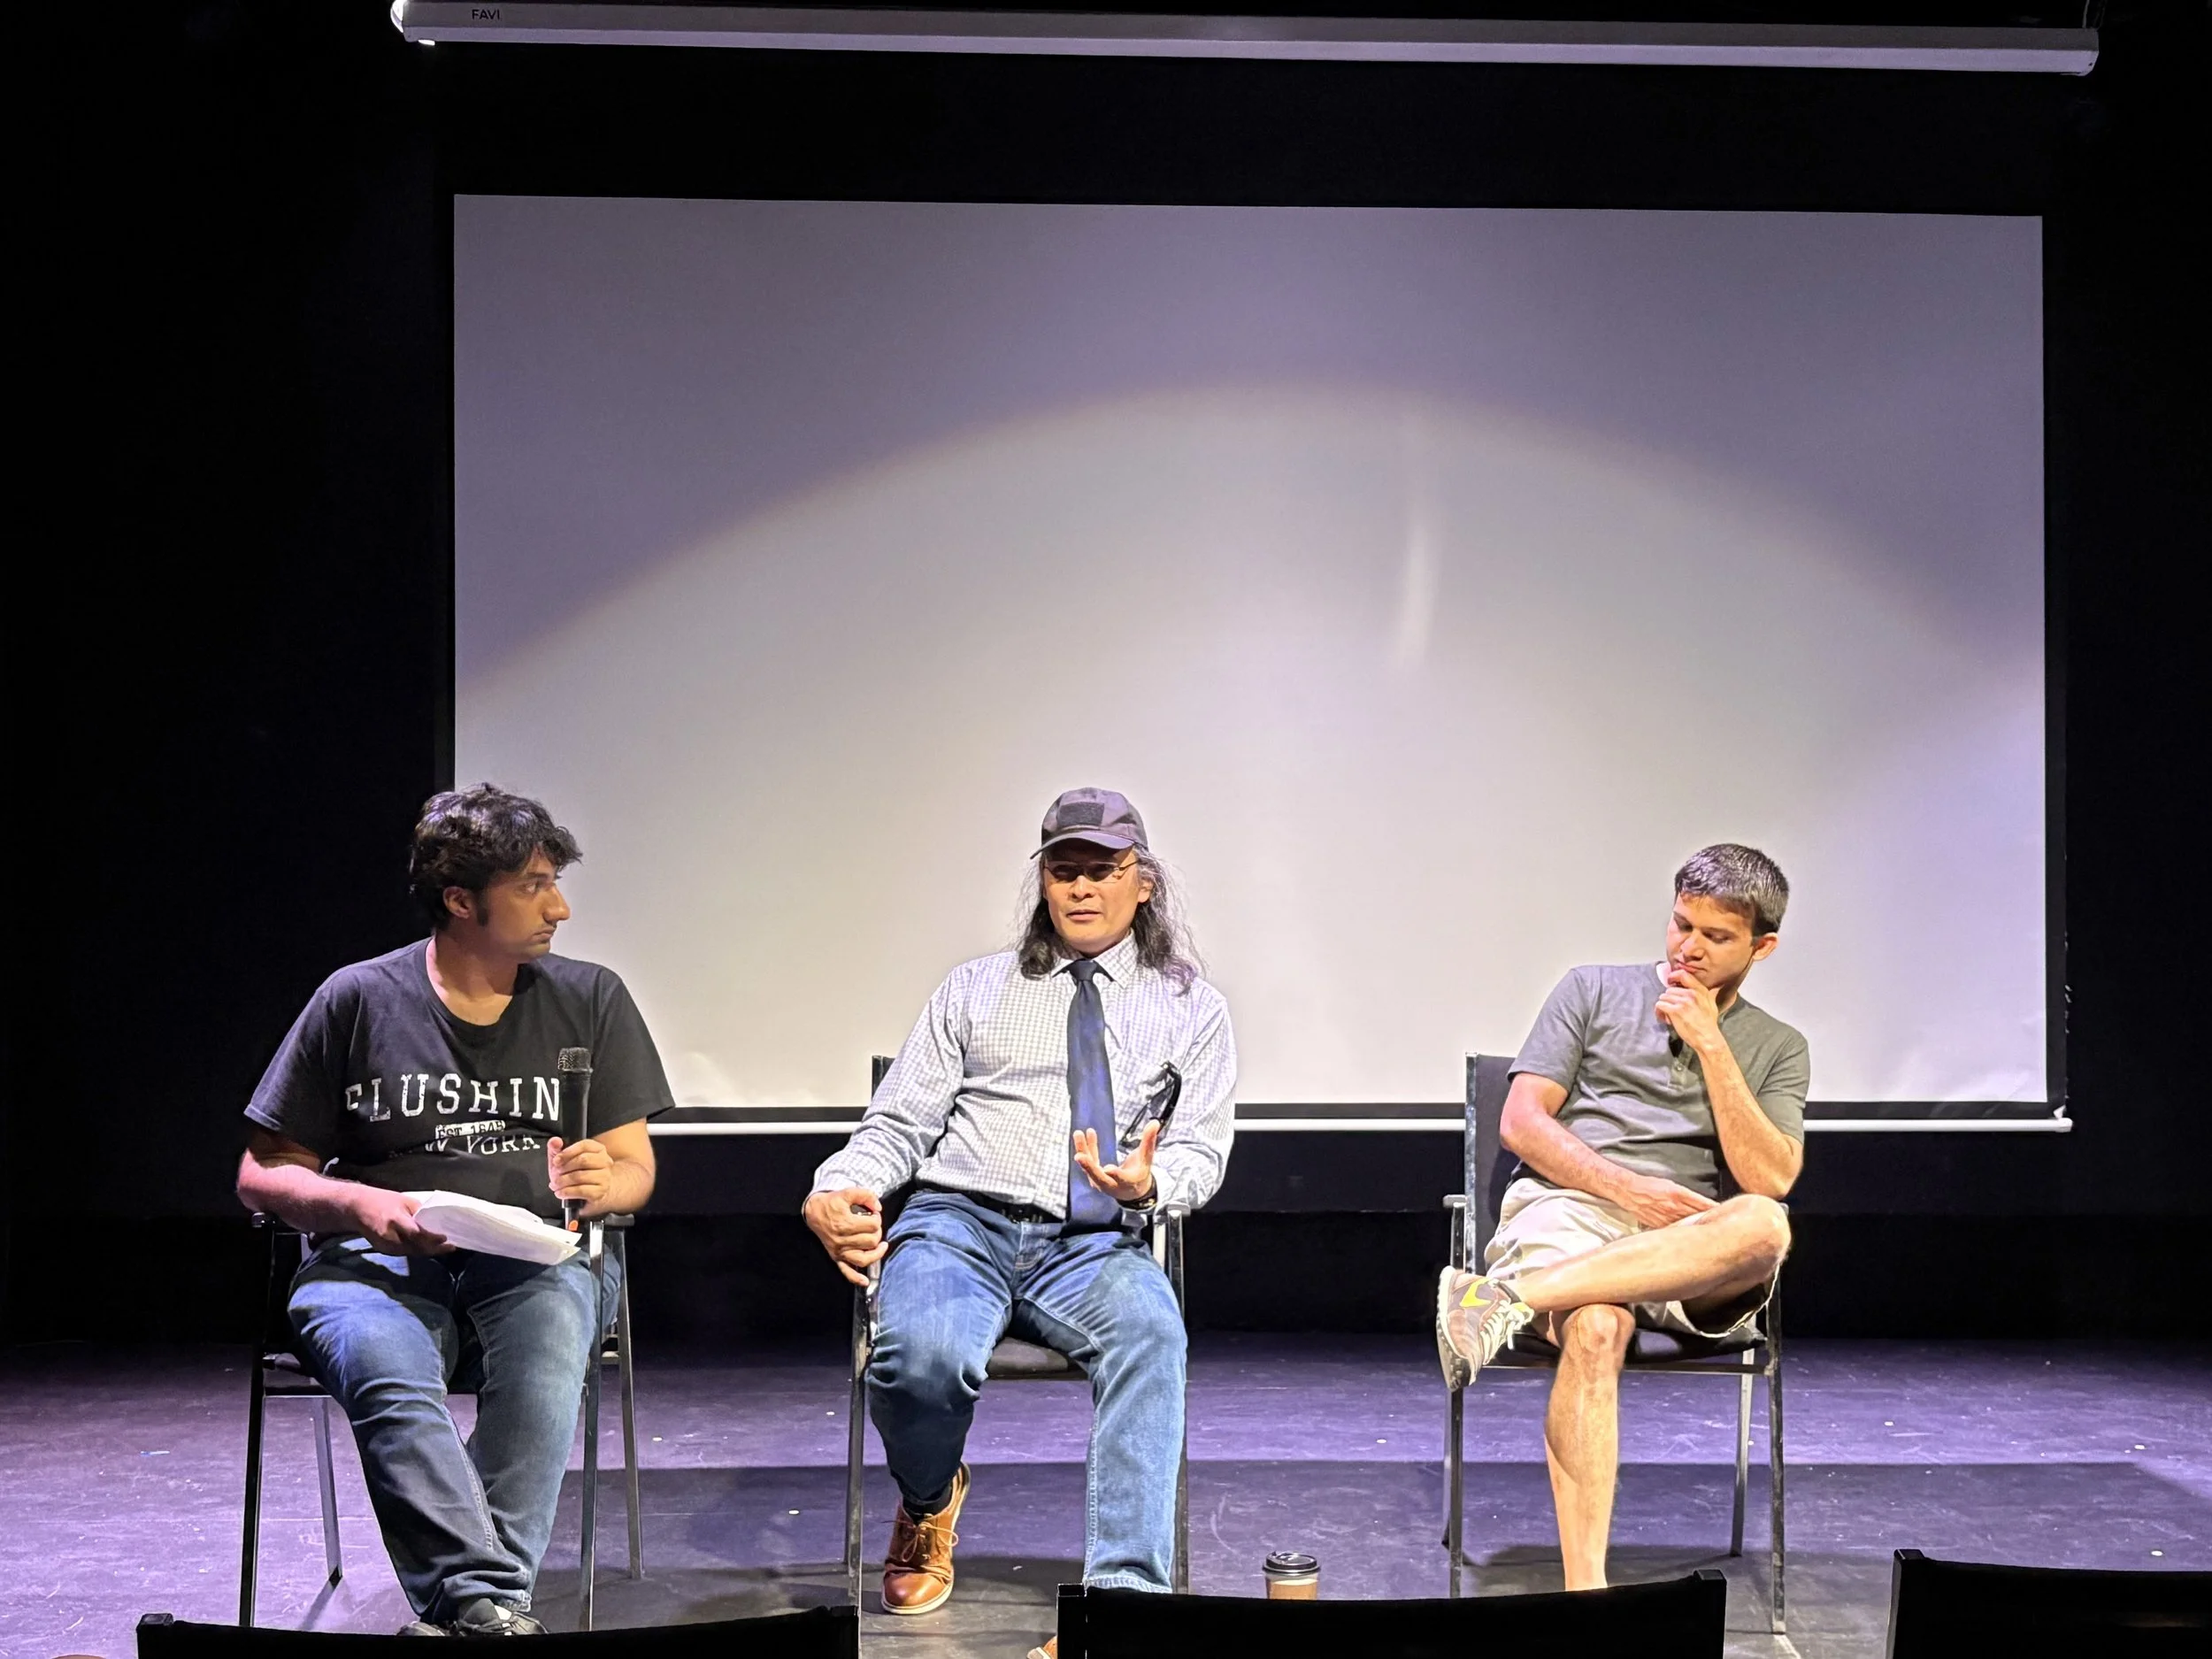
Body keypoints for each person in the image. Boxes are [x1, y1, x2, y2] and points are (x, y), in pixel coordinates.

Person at [804, 787, 1236, 1659]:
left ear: (1141, 882)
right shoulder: (976, 989)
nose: (1080, 889)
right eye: (1062, 870)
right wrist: (840, 1183)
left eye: (1101, 871)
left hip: (1091, 1242)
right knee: (917, 1359)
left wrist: (1151, 1182)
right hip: (957, 1224)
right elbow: (899, 1121)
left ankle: (1120, 1607)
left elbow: (1201, 1147)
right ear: (1042, 879)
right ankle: (929, 1501)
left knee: (1153, 1334)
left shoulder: (1191, 1007)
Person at [236, 786, 672, 1635]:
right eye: (534, 885)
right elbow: (261, 1173)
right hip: (378, 1259)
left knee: (546, 1363)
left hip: (537, 1252)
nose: (561, 907)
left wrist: (600, 1180)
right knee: (385, 1368)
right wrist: (356, 1202)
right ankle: (490, 1606)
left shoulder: (591, 998)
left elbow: (636, 1171)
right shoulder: (357, 998)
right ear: (461, 899)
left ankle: (474, 1607)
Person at [1435, 843, 1806, 1593]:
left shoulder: (1778, 1046)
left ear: (1762, 947)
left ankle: (1499, 1301)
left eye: (1715, 937)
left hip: (1684, 1246)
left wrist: (1712, 1045)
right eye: (1680, 925)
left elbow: (1768, 1175)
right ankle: (1587, 1596)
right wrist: (1627, 1188)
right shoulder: (1592, 991)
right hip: (1570, 1210)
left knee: (1767, 1224)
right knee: (1598, 1324)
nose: (1688, 948)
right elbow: (1521, 1122)